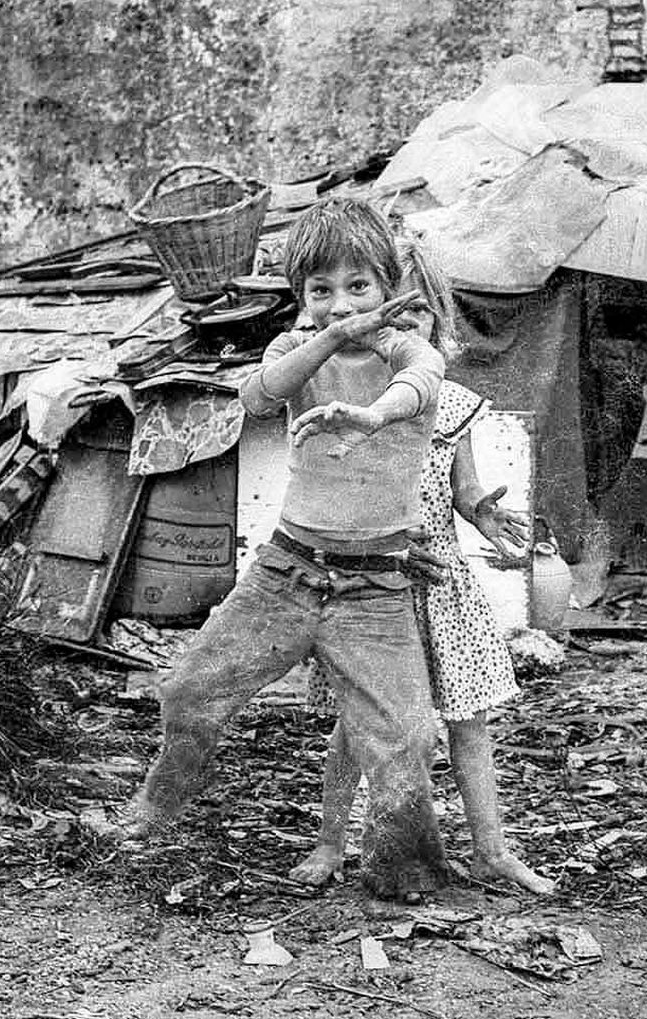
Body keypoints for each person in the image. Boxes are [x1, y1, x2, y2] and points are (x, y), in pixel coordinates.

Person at [121, 196, 451, 901]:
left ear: (388, 288)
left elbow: (419, 380)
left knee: (408, 735)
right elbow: (259, 396)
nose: (340, 304)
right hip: (287, 573)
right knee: (189, 690)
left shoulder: (412, 351)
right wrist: (331, 338)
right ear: (300, 296)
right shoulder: (294, 353)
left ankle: (402, 866)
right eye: (321, 289)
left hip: (375, 587)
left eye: (359, 286)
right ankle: (158, 803)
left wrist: (371, 412)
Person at [288, 237, 555, 895]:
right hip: (374, 592)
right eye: (392, 321)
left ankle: (493, 850)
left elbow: (464, 492)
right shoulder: (349, 408)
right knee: (356, 728)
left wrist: (488, 516)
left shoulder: (453, 405)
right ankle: (329, 844)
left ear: (438, 326)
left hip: (444, 594)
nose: (405, 332)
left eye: (419, 321)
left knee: (469, 721)